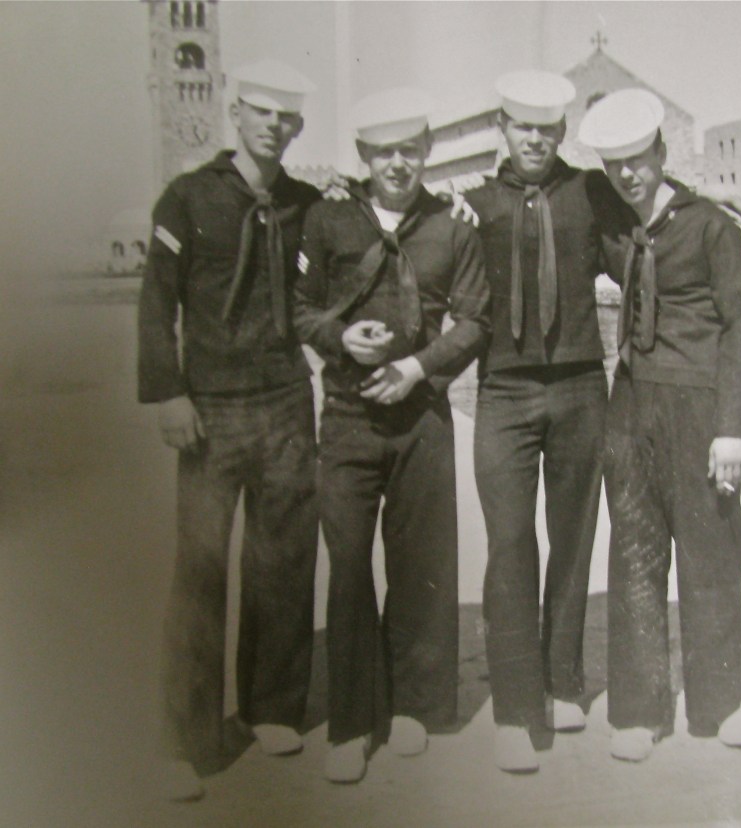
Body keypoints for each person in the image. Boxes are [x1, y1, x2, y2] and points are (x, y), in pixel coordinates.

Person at [294, 87, 490, 784]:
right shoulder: (327, 220)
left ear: (428, 150)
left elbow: (473, 322)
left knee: (421, 566)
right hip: (346, 417)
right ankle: (351, 724)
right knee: (347, 568)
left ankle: (416, 706)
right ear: (363, 157)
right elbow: (300, 307)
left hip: (422, 419)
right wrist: (340, 336)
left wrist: (416, 367)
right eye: (384, 152)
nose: (398, 164)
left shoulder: (453, 227)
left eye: (410, 149)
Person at [138, 59, 321, 801]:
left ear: (298, 126)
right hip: (211, 406)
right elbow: (157, 303)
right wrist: (168, 395)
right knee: (202, 570)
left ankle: (273, 708)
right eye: (260, 113)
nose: (273, 127)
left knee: (283, 559)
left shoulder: (309, 202)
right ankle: (186, 738)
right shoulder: (186, 199)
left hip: (284, 400)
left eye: (287, 117)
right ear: (233, 113)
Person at [578, 88, 741, 762]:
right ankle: (640, 711)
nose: (629, 173)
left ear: (661, 152)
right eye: (614, 163)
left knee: (711, 558)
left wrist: (733, 429)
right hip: (631, 407)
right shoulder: (612, 222)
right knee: (634, 558)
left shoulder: (713, 228)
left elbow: (740, 328)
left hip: (702, 409)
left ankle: (721, 702)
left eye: (639, 158)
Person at [464, 71, 615, 773]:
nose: (535, 140)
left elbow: (651, 219)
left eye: (548, 129)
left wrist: (720, 201)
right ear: (502, 128)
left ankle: (562, 682)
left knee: (574, 540)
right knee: (510, 544)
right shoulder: (471, 203)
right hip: (504, 392)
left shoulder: (589, 193)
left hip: (582, 384)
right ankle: (516, 710)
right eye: (522, 127)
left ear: (561, 133)